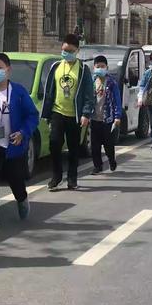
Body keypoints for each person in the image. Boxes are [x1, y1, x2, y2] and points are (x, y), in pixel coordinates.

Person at [0, 53, 39, 233]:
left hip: (12, 143)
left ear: (8, 71)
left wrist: (23, 133)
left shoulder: (18, 92)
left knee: (15, 179)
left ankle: (22, 198)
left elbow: (32, 115)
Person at [41, 34, 94, 191]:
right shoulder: (56, 67)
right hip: (58, 112)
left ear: (77, 50)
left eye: (70, 50)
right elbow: (49, 91)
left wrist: (85, 113)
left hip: (75, 115)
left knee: (73, 148)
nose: (66, 53)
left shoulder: (83, 70)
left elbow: (88, 94)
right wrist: (47, 113)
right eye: (64, 50)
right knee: (54, 143)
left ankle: (72, 178)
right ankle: (56, 176)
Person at [90, 55, 122, 174]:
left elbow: (117, 101)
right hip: (94, 118)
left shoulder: (111, 83)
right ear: (94, 67)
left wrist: (117, 116)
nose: (100, 69)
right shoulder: (92, 82)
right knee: (95, 145)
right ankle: (97, 166)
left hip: (107, 119)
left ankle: (112, 160)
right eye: (98, 67)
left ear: (107, 67)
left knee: (108, 144)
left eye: (102, 66)